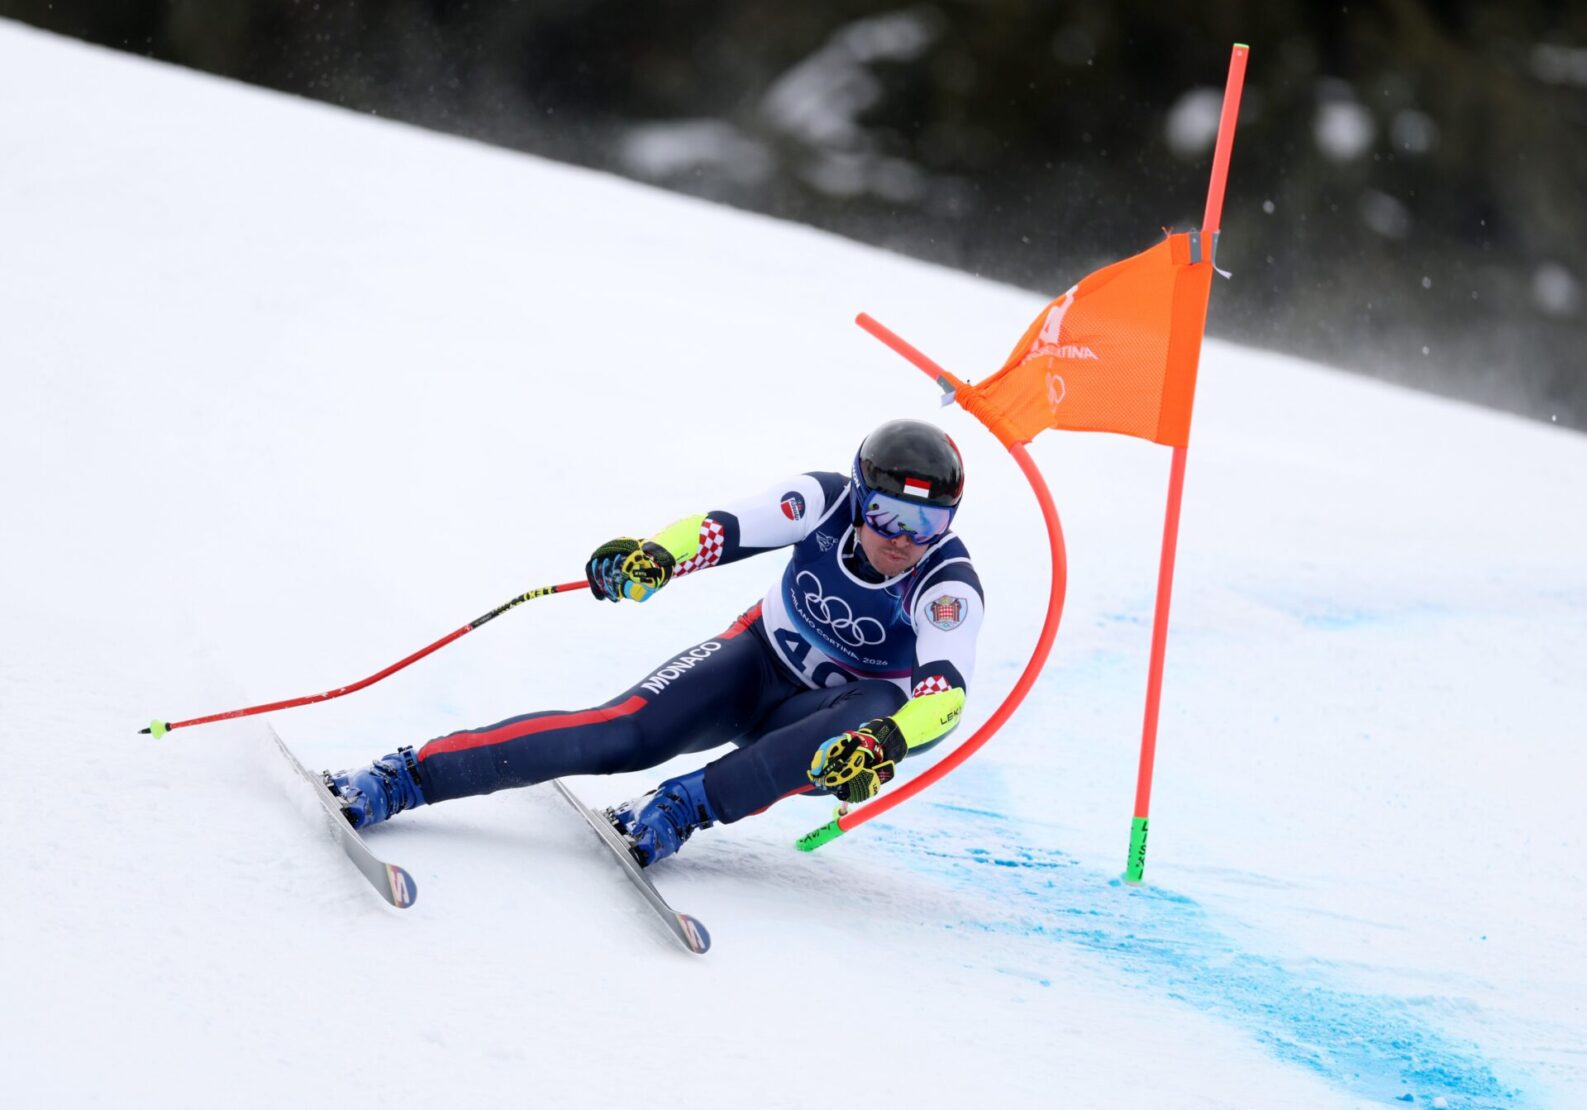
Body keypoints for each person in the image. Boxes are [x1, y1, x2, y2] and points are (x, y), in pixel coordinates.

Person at [327, 418, 984, 867]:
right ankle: (405, 777)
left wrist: (887, 741)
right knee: (621, 735)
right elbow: (723, 528)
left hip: (834, 729)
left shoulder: (947, 583)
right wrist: (656, 558)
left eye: (928, 523)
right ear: (860, 498)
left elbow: (944, 696)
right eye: (887, 515)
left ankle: (677, 808)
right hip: (756, 665)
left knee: (861, 721)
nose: (902, 538)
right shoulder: (823, 498)